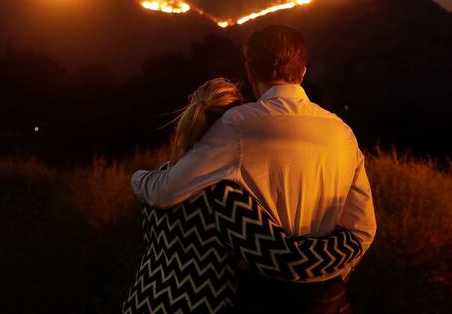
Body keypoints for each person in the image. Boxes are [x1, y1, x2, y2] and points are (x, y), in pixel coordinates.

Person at [131, 25, 377, 313]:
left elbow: (166, 192)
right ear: (303, 71)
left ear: (250, 70)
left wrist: (138, 178)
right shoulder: (342, 132)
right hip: (331, 300)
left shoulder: (239, 125)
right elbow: (363, 227)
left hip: (264, 296)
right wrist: (324, 276)